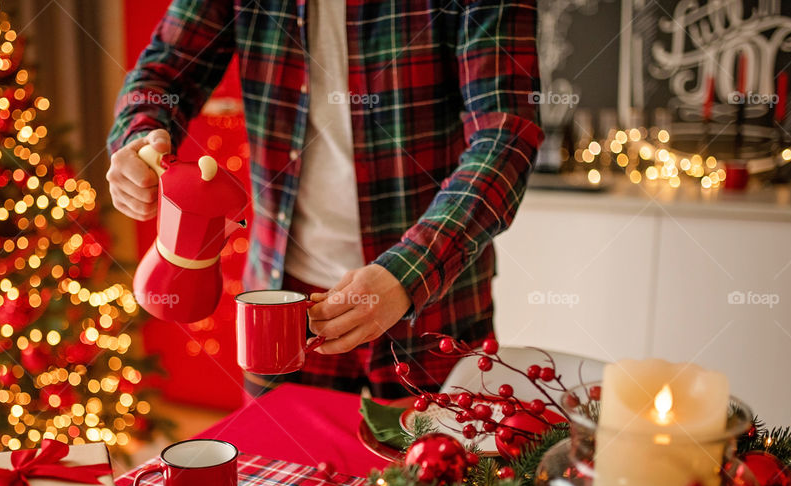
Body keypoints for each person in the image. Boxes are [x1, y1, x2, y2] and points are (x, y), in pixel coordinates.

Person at [107, 0, 542, 399]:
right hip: (280, 304)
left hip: (433, 303)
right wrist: (141, 139)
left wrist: (406, 274)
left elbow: (507, 136)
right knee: (279, 475)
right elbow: (161, 75)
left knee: (443, 482)